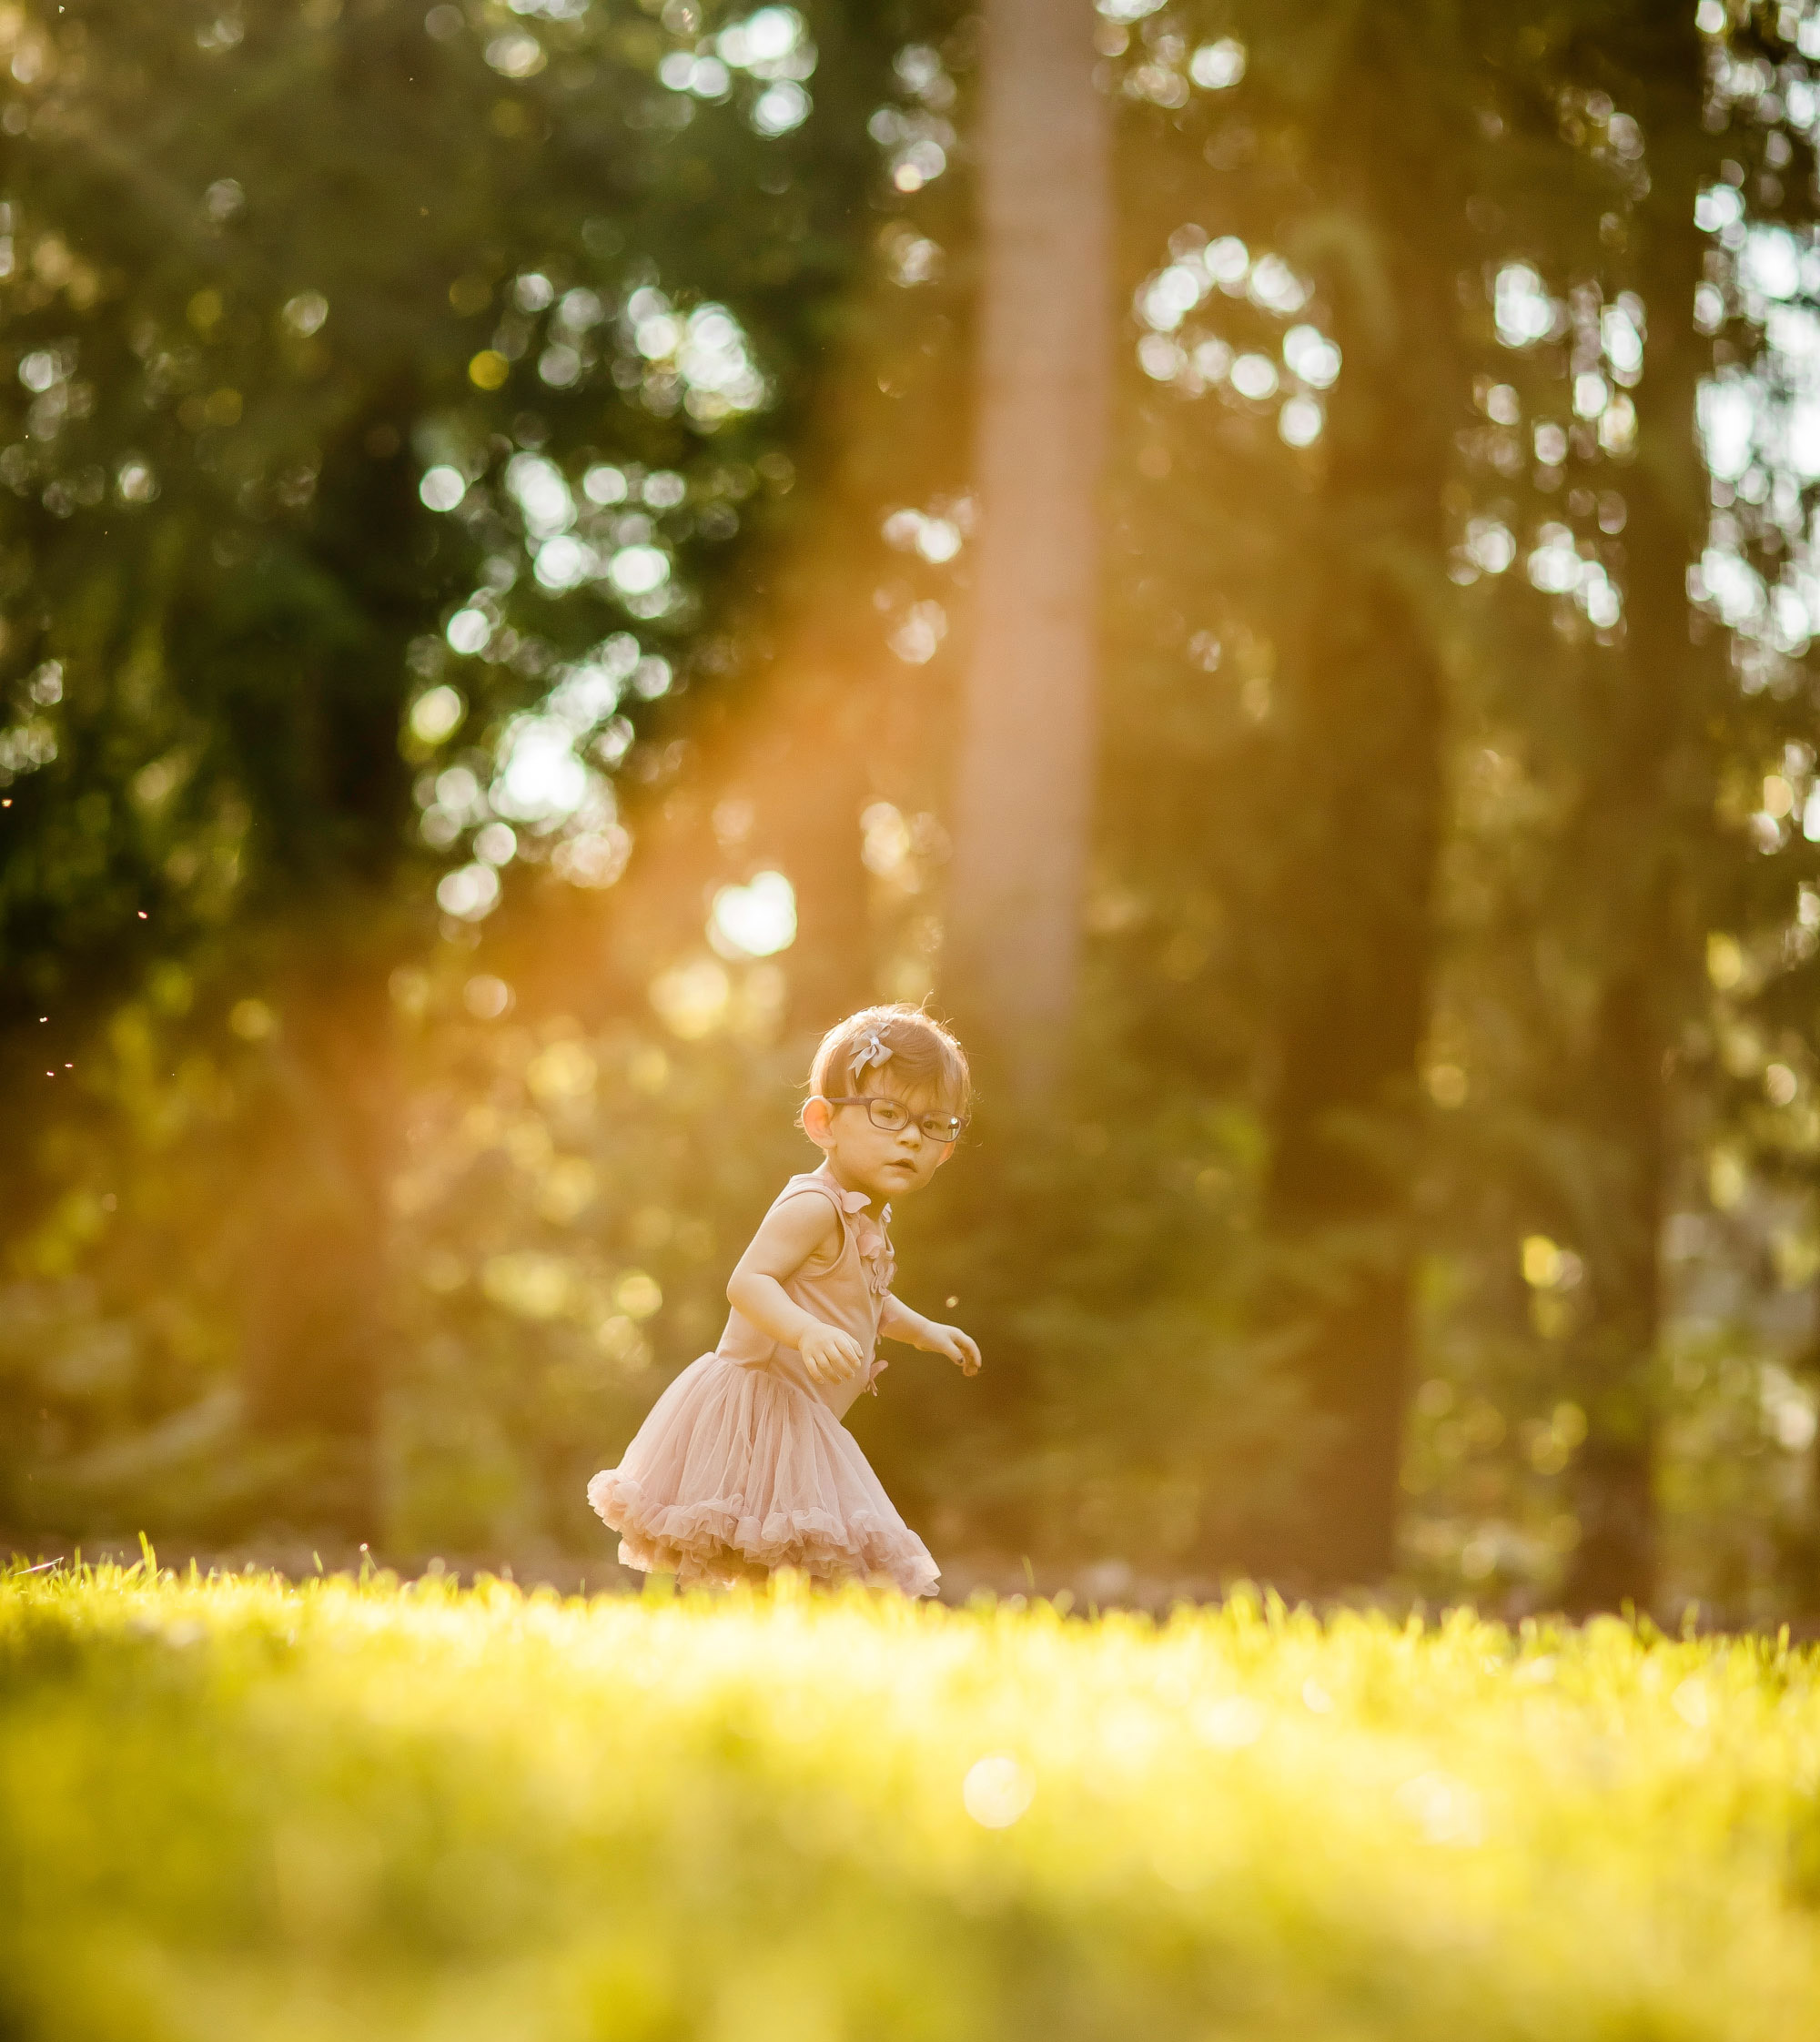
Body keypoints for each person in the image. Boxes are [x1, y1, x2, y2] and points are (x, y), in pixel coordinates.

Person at [587, 1005, 981, 1595]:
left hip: (796, 1415)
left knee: (775, 1556)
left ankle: (758, 1634)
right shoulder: (816, 1206)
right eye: (889, 1113)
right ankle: (710, 1632)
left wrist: (924, 1330)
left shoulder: (865, 1215)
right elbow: (748, 1283)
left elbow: (866, 1299)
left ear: (946, 1150)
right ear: (823, 1123)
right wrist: (806, 1332)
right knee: (737, 1540)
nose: (909, 1136)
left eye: (934, 1125)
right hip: (755, 1405)